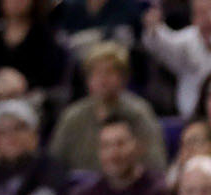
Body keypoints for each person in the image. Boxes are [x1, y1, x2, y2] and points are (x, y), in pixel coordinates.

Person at [48, 43, 167, 179]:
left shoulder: (139, 113)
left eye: (109, 72)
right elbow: (53, 164)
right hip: (81, 188)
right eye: (96, 73)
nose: (102, 79)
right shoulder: (72, 116)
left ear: (123, 78)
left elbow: (156, 165)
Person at [59, 118, 172, 195]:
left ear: (139, 147)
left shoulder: (159, 194)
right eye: (105, 146)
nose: (113, 154)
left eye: (120, 144)